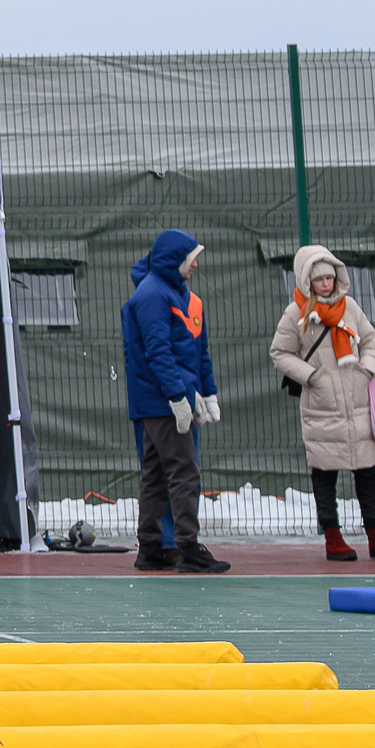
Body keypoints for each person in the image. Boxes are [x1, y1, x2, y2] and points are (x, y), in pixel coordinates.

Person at [271, 244, 375, 564]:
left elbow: (370, 340)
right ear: (306, 281)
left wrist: (367, 366)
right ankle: (333, 537)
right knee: (325, 473)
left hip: (357, 402)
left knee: (367, 471)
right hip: (321, 405)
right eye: (319, 279)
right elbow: (280, 353)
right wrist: (312, 376)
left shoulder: (350, 306)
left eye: (330, 277)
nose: (326, 284)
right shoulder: (296, 314)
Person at [121, 228, 229, 575]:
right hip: (162, 403)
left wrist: (208, 392)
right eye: (190, 258)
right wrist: (178, 397)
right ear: (174, 260)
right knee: (184, 472)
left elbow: (198, 351)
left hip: (165, 400)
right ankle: (188, 546)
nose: (195, 264)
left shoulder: (183, 296)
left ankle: (150, 547)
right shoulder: (153, 295)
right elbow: (158, 353)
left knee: (155, 475)